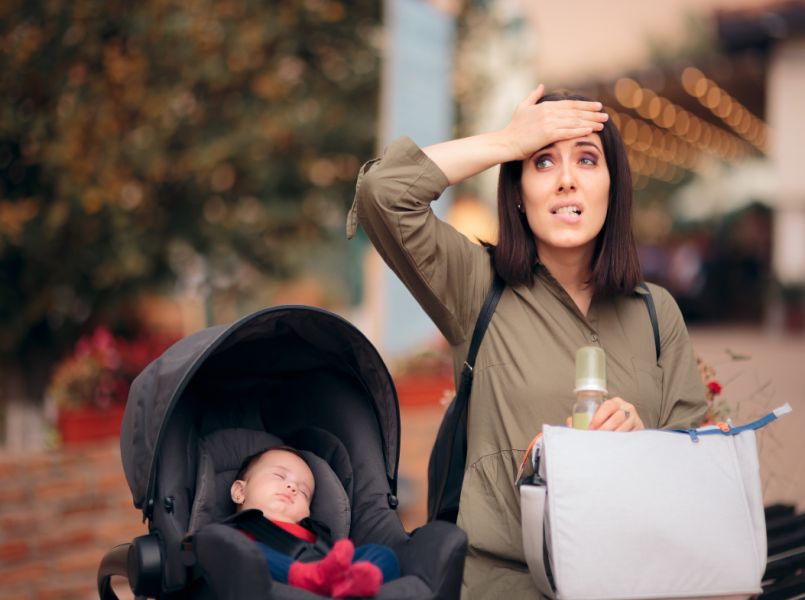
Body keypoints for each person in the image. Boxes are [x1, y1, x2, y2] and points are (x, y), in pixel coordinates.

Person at [347, 86, 707, 598]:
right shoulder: (475, 287)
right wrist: (507, 141)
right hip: (502, 583)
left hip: (631, 581)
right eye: (542, 163)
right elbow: (383, 192)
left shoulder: (656, 311)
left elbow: (694, 470)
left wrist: (643, 441)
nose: (565, 181)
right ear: (517, 189)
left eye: (586, 160)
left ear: (612, 187)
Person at [227, 445, 400, 598]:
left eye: (303, 492)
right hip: (274, 571)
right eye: (279, 476)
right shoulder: (237, 529)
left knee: (382, 554)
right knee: (241, 551)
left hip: (325, 567)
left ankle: (351, 585)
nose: (292, 487)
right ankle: (311, 577)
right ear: (239, 491)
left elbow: (337, 557)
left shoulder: (316, 535)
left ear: (307, 512)